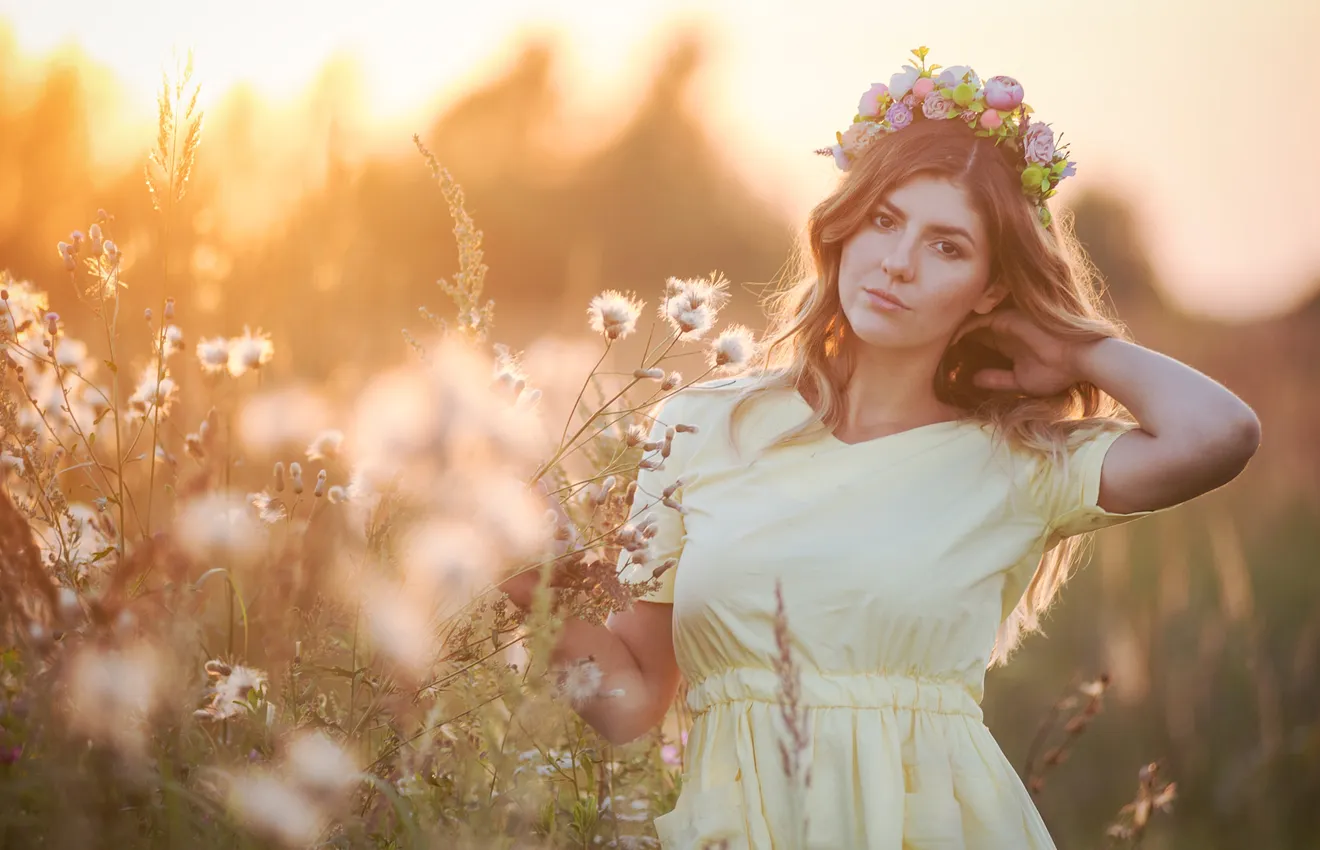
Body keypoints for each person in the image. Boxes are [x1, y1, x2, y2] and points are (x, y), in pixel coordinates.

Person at [502, 47, 1261, 849]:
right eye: (885, 220)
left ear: (993, 288)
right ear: (843, 229)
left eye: (948, 247)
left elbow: (1221, 434)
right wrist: (523, 569)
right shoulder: (698, 426)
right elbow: (630, 703)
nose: (897, 262)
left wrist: (1075, 350)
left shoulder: (1019, 461)